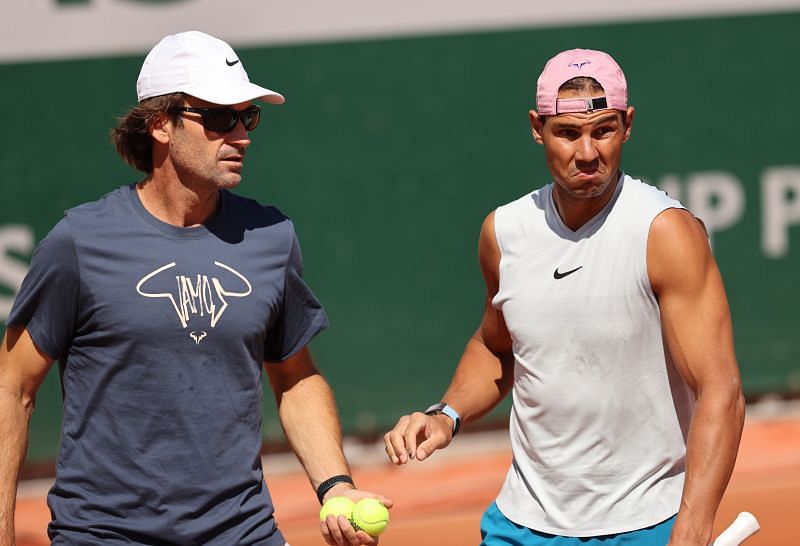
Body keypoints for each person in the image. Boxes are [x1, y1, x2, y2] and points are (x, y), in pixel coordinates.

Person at [0, 30, 388, 546]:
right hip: (106, 535)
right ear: (161, 123)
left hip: (242, 533)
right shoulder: (80, 241)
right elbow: (12, 390)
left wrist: (337, 484)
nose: (242, 136)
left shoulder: (271, 237)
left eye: (247, 117)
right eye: (221, 118)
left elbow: (295, 376)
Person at [384, 48, 745, 546]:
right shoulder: (504, 232)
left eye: (604, 129)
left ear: (628, 124)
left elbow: (720, 391)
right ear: (538, 128)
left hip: (644, 525)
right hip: (521, 523)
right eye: (568, 133)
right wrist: (446, 414)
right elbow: (497, 345)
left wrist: (693, 525)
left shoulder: (664, 233)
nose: (588, 152)